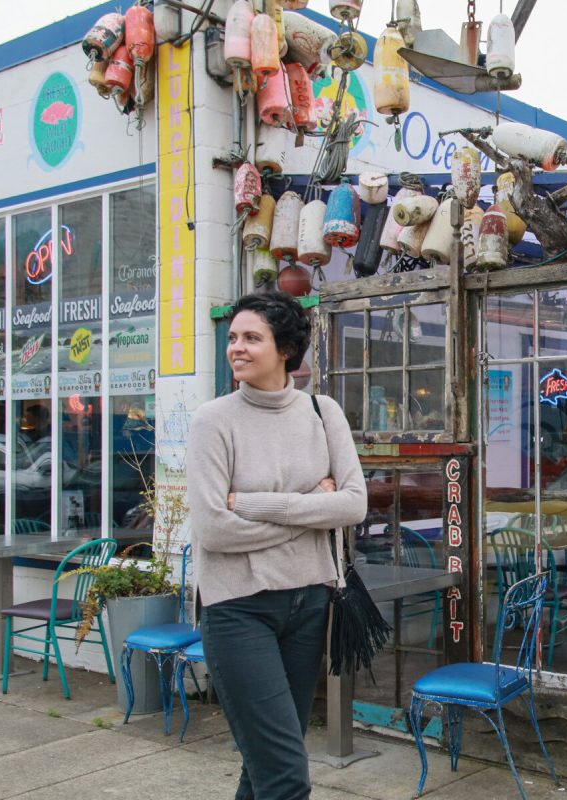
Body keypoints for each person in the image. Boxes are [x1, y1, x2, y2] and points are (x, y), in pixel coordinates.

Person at [187, 291, 366, 800]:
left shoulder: (322, 412)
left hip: (309, 603)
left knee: (265, 766)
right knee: (287, 775)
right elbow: (215, 531)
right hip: (238, 611)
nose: (236, 348)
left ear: (285, 348)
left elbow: (353, 505)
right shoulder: (213, 421)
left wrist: (257, 505)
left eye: (251, 338)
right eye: (233, 338)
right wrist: (311, 507)